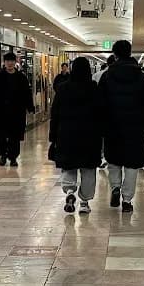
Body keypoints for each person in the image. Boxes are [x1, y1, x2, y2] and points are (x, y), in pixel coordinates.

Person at [98, 40, 144, 212]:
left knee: (114, 160)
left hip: (112, 126)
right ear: (130, 52)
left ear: (115, 55)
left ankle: (115, 187)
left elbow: (100, 103)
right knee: (132, 164)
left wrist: (100, 126)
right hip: (135, 127)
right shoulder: (142, 77)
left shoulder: (107, 76)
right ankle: (126, 200)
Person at [49, 57, 103, 214]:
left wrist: (53, 136)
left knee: (69, 166)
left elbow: (55, 115)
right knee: (88, 169)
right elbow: (101, 114)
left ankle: (70, 191)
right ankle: (85, 202)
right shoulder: (95, 89)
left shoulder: (62, 89)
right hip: (90, 136)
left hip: (66, 134)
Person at [0, 52, 35, 167]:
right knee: (2, 135)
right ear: (4, 63)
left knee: (15, 136)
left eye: (12, 61)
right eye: (7, 61)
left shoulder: (21, 77)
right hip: (1, 112)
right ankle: (3, 155)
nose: (10, 63)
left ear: (15, 62)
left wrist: (30, 107)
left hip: (17, 112)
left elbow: (27, 93)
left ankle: (13, 157)